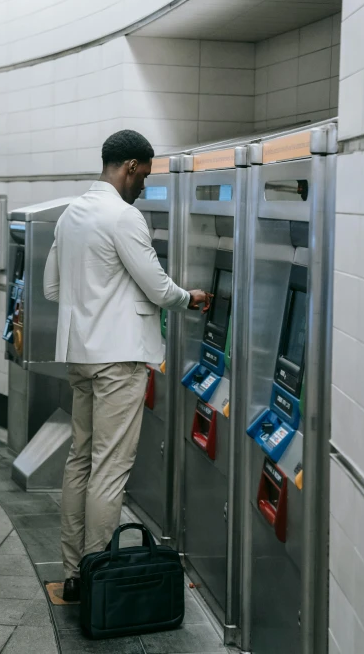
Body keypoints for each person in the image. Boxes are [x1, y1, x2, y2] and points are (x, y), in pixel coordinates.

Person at [43, 129, 212, 603]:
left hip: (81, 355)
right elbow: (158, 287)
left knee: (80, 460)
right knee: (110, 468)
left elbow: (53, 289)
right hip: (118, 359)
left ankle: (75, 571)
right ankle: (100, 574)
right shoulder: (124, 217)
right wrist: (190, 298)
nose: (143, 187)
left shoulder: (71, 214)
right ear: (131, 166)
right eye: (144, 177)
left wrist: (97, 296)